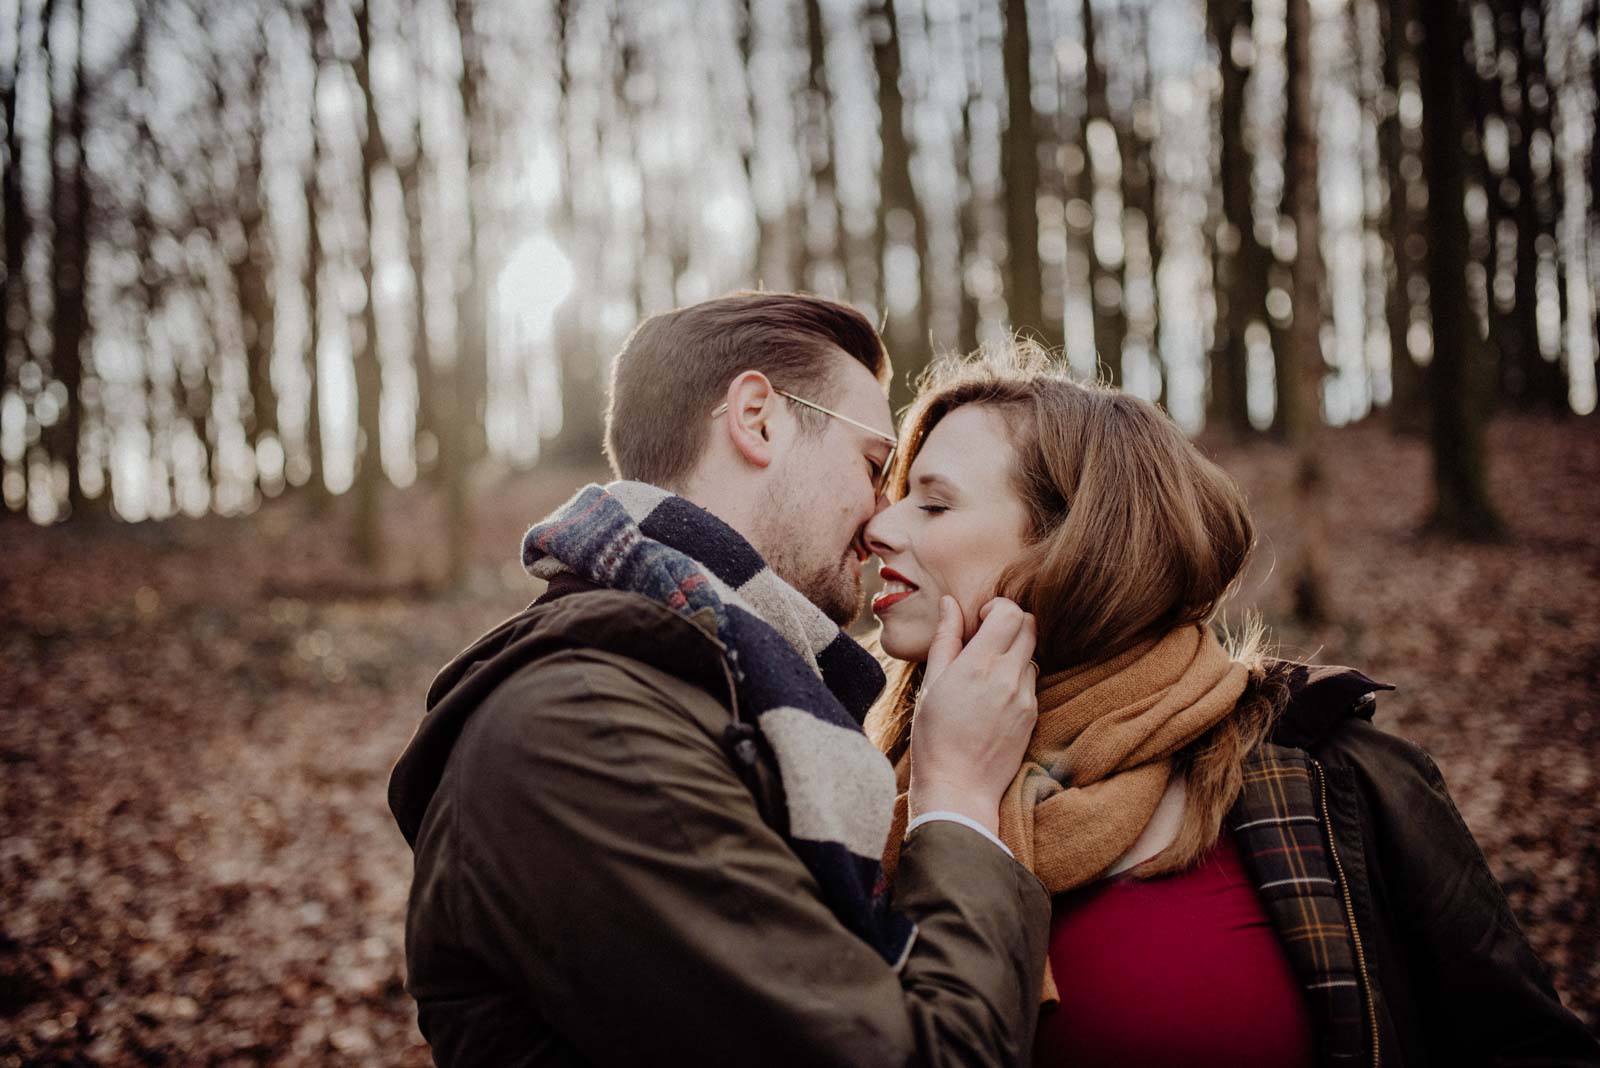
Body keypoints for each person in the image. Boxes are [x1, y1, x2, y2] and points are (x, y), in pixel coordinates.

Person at [863, 341, 1600, 1068]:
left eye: (931, 503)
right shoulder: (865, 785)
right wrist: (946, 795)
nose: (880, 528)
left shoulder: (1338, 780)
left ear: (1080, 543)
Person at [387, 292, 1051, 1067]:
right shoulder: (584, 732)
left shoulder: (718, 697)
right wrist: (960, 801)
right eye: (875, 466)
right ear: (758, 418)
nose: (880, 520)